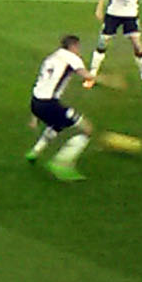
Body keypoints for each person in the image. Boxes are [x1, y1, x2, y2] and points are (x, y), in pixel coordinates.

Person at [26, 34, 100, 180]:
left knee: (57, 125)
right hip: (49, 104)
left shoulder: (51, 57)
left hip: (36, 102)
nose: (79, 50)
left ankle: (35, 152)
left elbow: (42, 84)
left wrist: (34, 117)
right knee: (87, 129)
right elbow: (87, 76)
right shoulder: (72, 58)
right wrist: (109, 80)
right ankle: (61, 163)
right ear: (73, 46)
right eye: (78, 47)